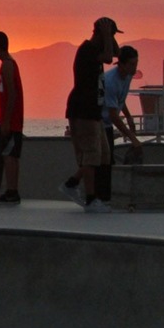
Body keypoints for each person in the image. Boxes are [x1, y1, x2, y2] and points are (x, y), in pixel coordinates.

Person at [59, 17, 120, 213]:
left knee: (104, 155)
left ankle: (72, 183)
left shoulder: (99, 49)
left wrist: (109, 34)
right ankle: (91, 199)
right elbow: (110, 58)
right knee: (91, 156)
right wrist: (105, 34)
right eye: (109, 36)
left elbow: (116, 52)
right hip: (83, 109)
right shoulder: (87, 50)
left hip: (93, 111)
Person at [96, 45, 145, 202]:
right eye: (131, 64)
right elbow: (113, 116)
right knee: (104, 161)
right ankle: (100, 197)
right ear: (121, 64)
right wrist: (133, 138)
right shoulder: (110, 81)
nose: (134, 67)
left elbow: (120, 100)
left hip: (108, 124)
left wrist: (129, 117)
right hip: (99, 123)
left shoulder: (129, 75)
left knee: (108, 162)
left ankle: (106, 198)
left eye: (136, 63)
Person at [0, 31, 24, 204]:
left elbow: (12, 94)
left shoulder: (7, 65)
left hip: (12, 121)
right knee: (12, 155)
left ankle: (11, 191)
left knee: (9, 155)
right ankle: (12, 190)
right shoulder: (8, 65)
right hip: (12, 120)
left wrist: (7, 120)